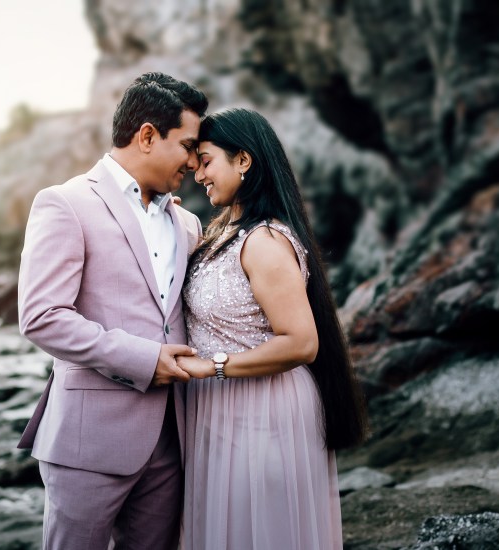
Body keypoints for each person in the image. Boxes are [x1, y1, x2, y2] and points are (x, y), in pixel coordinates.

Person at [16, 72, 208, 550]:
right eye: (187, 146)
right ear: (147, 136)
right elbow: (42, 316)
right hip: (89, 442)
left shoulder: (186, 222)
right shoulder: (66, 203)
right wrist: (144, 359)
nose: (193, 162)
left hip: (172, 438)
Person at [176, 108, 369, 549]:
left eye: (206, 161)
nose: (197, 174)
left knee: (260, 530)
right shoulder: (221, 235)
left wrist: (213, 366)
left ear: (243, 160)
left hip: (264, 407)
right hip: (221, 406)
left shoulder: (263, 241)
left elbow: (301, 343)